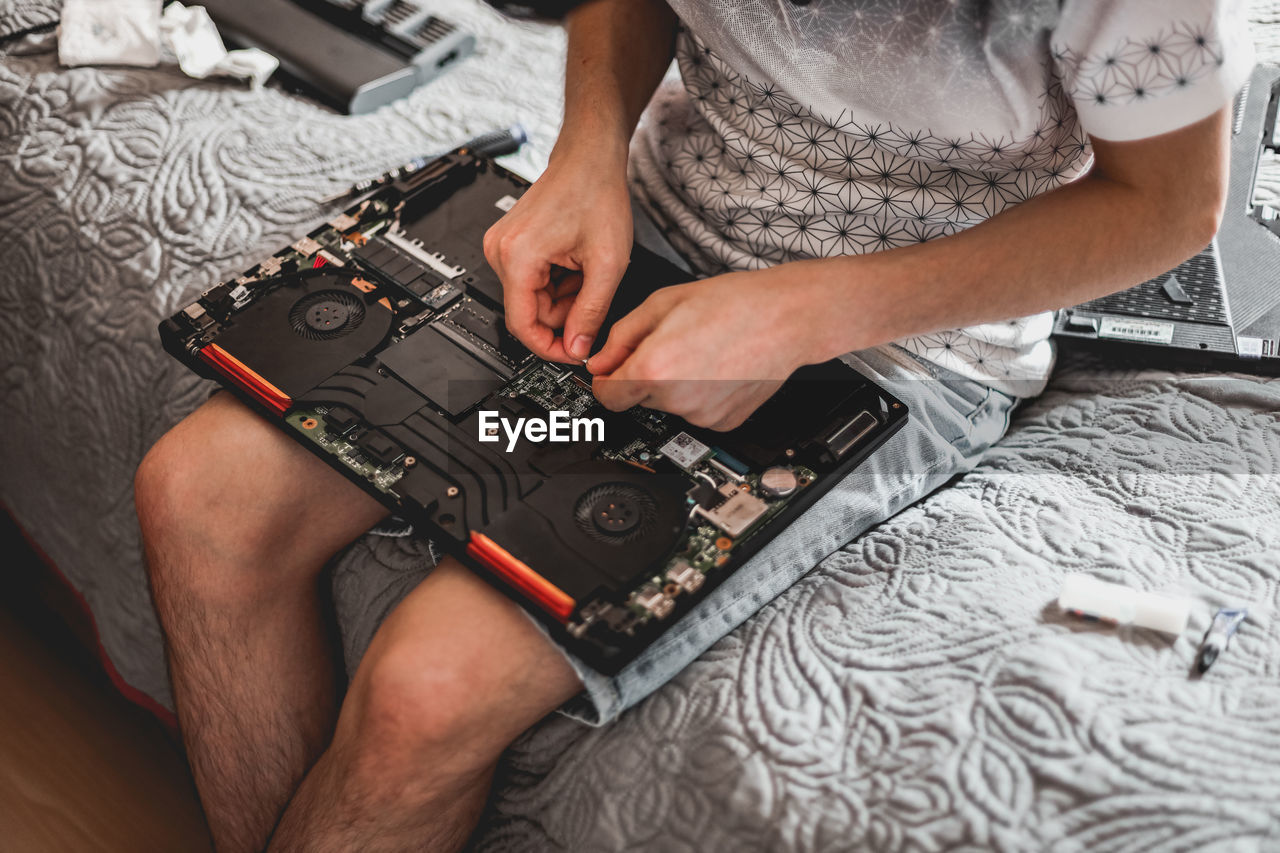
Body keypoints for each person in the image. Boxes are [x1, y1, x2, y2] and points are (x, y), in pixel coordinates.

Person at [134, 1, 1250, 850]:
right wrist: (584, 154)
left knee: (428, 688)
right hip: (648, 223)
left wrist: (803, 312)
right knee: (201, 497)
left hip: (902, 335)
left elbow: (1164, 207)